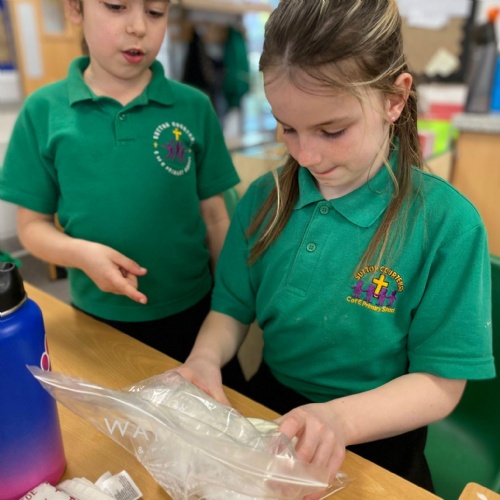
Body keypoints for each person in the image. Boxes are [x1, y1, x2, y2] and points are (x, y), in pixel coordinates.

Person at [172, 0, 496, 495]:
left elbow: (440, 384)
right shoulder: (263, 200)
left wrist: (339, 420)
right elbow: (231, 310)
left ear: (394, 99)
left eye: (332, 130)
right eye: (287, 127)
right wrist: (204, 359)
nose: (305, 155)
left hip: (377, 433)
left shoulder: (448, 225)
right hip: (270, 412)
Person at [0, 0, 246, 389]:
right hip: (99, 319)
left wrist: (231, 300)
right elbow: (31, 228)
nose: (138, 27)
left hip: (196, 315)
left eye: (155, 12)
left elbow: (215, 216)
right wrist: (81, 254)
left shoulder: (194, 107)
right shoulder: (42, 111)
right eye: (116, 6)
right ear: (75, 9)